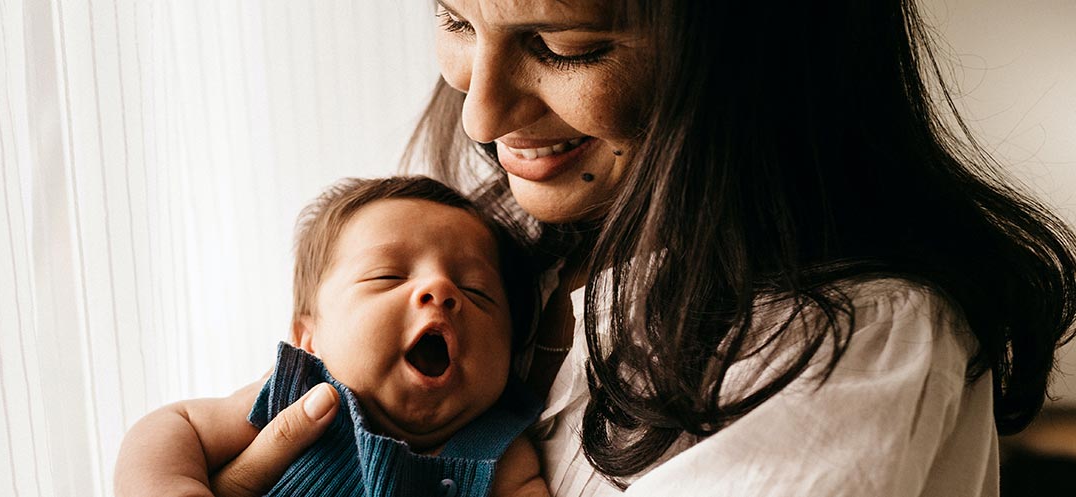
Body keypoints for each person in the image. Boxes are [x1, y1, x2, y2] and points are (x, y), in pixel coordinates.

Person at [120, 1, 1076, 496]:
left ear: (758, 50)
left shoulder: (847, 344)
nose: (482, 113)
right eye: (454, 18)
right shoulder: (515, 241)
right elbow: (177, 432)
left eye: (568, 43)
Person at [115, 177, 549, 497]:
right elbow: (176, 425)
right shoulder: (296, 395)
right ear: (308, 338)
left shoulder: (503, 452)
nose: (441, 290)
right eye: (387, 275)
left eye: (477, 291)